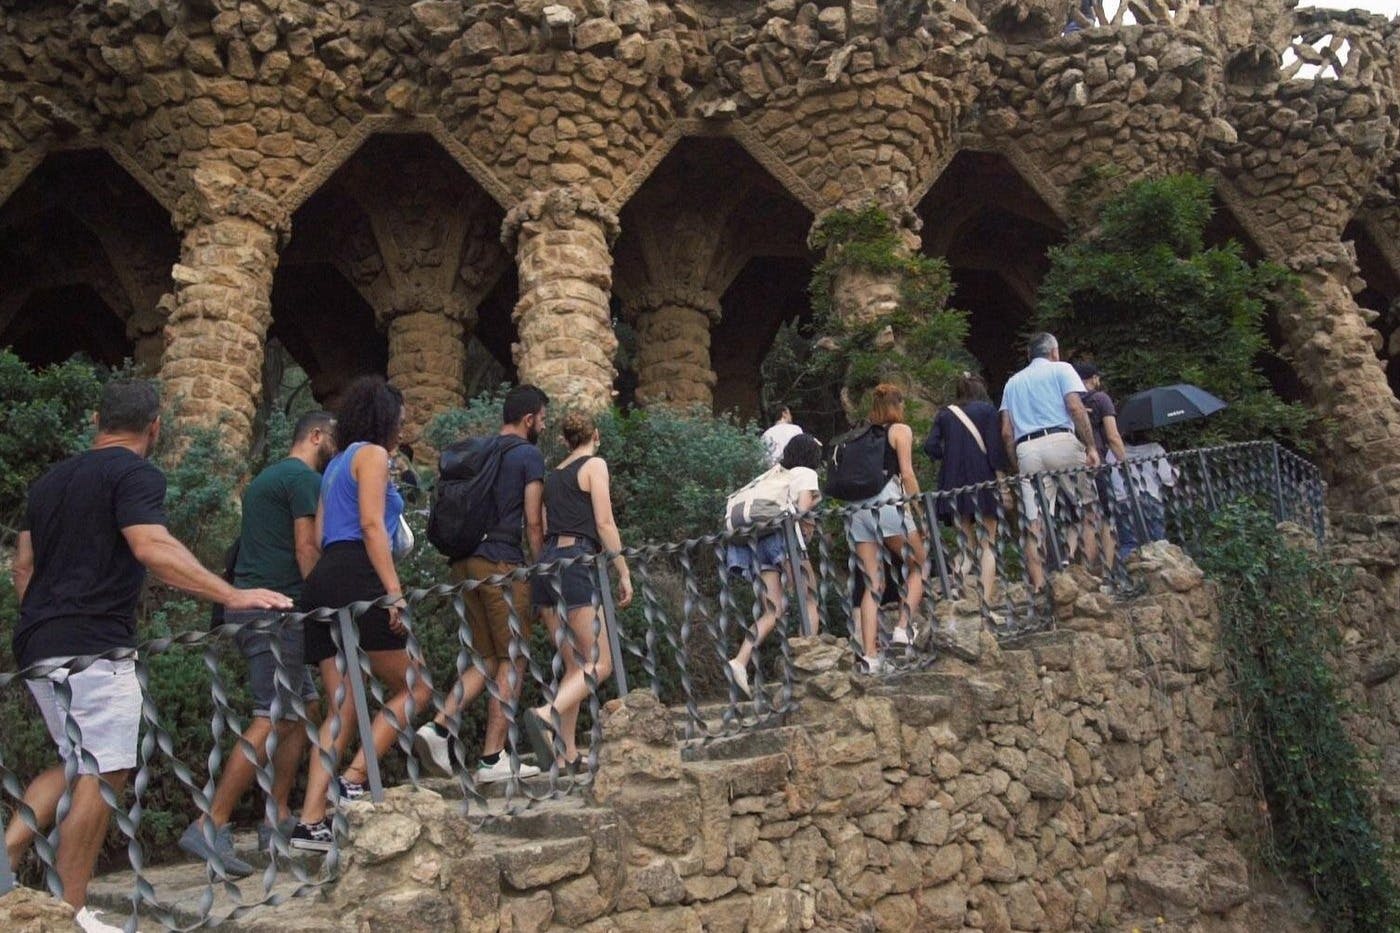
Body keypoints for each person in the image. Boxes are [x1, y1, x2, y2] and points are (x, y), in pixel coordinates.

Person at [5, 380, 292, 931]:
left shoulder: (47, 483)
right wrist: (232, 594)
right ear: (155, 427)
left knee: (76, 759)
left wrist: (46, 619)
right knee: (106, 768)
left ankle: (8, 852)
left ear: (97, 418)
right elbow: (151, 546)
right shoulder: (135, 473)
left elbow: (24, 565)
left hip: (39, 640)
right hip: (95, 644)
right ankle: (69, 910)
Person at [177, 411, 336, 875]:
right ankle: (211, 822)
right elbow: (306, 548)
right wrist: (323, 602)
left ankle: (278, 815)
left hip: (259, 610)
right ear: (316, 435)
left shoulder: (267, 478)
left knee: (303, 707)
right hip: (276, 611)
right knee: (271, 714)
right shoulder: (301, 478)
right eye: (333, 442)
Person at [291, 377, 430, 852]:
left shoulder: (333, 466)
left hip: (327, 577)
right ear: (385, 418)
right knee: (416, 685)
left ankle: (310, 821)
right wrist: (393, 591)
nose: (403, 427)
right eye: (401, 418)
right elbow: (371, 525)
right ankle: (351, 779)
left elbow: (327, 529)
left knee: (342, 703)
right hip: (359, 576)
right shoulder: (372, 455)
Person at [413, 385, 548, 785]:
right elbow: (534, 521)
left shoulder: (482, 450)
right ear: (528, 419)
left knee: (488, 658)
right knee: (514, 657)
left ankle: (437, 728)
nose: (542, 425)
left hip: (465, 564)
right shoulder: (528, 455)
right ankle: (493, 758)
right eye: (541, 418)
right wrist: (540, 572)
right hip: (502, 564)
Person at [518, 412, 633, 772]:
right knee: (600, 663)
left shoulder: (553, 476)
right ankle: (545, 714)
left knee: (574, 665)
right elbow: (603, 522)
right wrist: (623, 570)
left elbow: (540, 526)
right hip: (576, 561)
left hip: (547, 565)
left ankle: (565, 752)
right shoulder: (594, 464)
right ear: (595, 436)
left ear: (566, 441)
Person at [721, 433, 824, 697]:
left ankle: (740, 661)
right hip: (783, 540)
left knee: (773, 609)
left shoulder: (775, 473)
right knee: (809, 598)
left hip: (758, 543)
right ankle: (807, 659)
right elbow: (800, 509)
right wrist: (814, 502)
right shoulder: (805, 473)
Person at [999, 333, 1101, 591]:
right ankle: (1088, 576)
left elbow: (1007, 432)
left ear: (1029, 355)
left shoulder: (1012, 383)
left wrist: (1016, 465)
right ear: (1054, 351)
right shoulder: (1062, 369)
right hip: (1061, 441)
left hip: (1027, 449)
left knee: (1034, 522)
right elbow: (1075, 408)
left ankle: (1039, 585)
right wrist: (1090, 446)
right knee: (1088, 508)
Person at [846, 384, 926, 673]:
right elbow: (906, 473)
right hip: (888, 505)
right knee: (918, 565)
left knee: (873, 582)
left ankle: (869, 656)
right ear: (898, 405)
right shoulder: (899, 431)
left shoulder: (860, 435)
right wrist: (919, 509)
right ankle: (903, 629)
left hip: (857, 511)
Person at [923, 373, 1010, 603]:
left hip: (954, 487)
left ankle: (957, 585)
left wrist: (950, 454)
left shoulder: (945, 414)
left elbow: (930, 447)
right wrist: (1002, 482)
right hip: (983, 482)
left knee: (965, 543)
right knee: (987, 543)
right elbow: (994, 449)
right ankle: (985, 600)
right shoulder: (987, 411)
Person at [1074, 361, 1128, 572]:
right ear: (1093, 378)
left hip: (1075, 463)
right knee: (1107, 516)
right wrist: (1124, 462)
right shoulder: (1100, 399)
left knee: (1086, 517)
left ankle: (1087, 570)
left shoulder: (1069, 400)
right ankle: (1107, 568)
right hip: (1098, 462)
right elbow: (1113, 436)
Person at [1113, 430, 1178, 563]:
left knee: (1129, 544)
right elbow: (1167, 478)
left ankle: (1128, 578)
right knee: (1158, 543)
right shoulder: (1154, 448)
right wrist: (1176, 469)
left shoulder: (1112, 452)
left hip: (1124, 500)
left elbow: (1114, 479)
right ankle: (1159, 573)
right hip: (1151, 498)